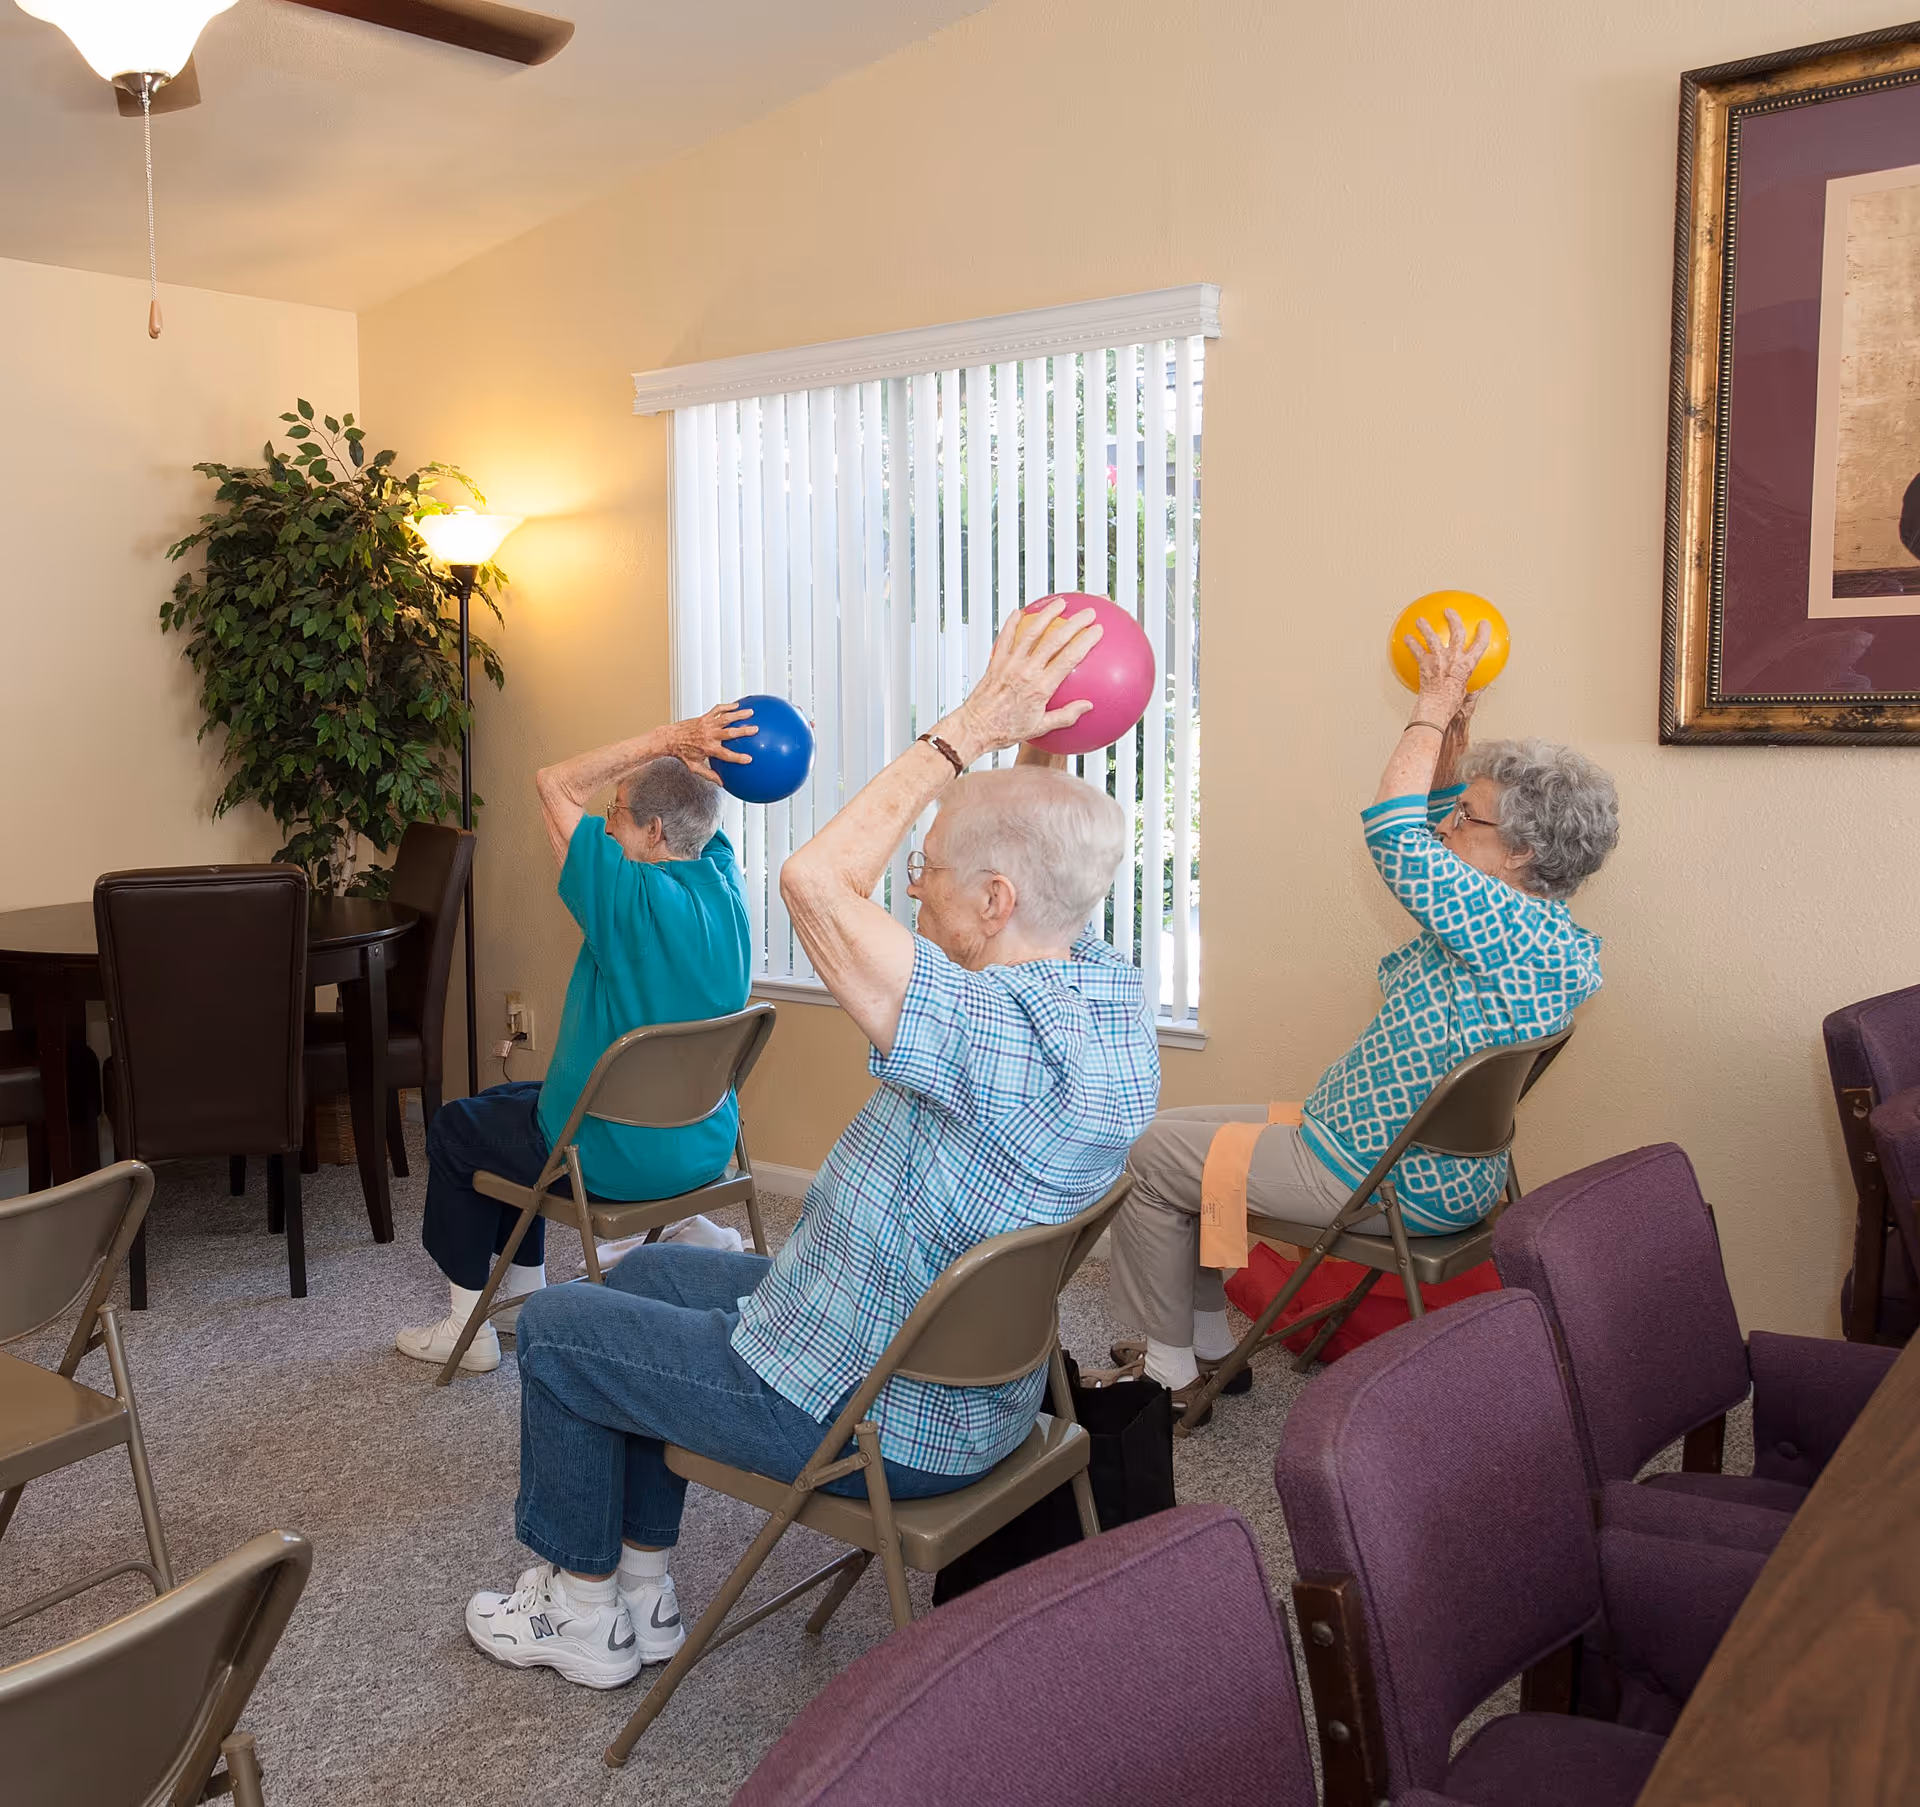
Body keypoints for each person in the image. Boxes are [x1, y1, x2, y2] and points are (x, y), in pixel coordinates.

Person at [461, 597, 1160, 1690]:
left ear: (992, 898)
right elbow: (1041, 875)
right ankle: (641, 1583)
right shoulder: (1110, 1011)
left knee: (557, 1324)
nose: (911, 887)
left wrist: (970, 726)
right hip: (958, 1378)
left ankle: (581, 1611)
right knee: (652, 1273)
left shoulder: (982, 1034)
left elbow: (817, 881)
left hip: (864, 1407)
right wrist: (1027, 751)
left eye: (930, 871)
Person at [1098, 608, 1619, 1417]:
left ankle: (1162, 1370)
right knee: (1186, 1128)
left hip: (1373, 1175)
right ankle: (1208, 1346)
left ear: (1520, 852)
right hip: (1421, 1166)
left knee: (1150, 1151)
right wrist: (1455, 743)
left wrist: (1433, 705)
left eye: (1469, 818)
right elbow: (1433, 816)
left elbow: (1395, 831)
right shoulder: (1539, 934)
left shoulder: (1495, 922)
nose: (1449, 822)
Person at [393, 705, 757, 1374]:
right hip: (703, 1145)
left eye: (615, 812)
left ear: (651, 831)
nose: (604, 821)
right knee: (516, 1108)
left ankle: (464, 1330)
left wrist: (667, 739)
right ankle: (527, 1289)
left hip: (612, 1156)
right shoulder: (726, 887)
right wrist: (695, 768)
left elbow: (552, 784)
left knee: (453, 1127)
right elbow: (698, 817)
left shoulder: (630, 900)